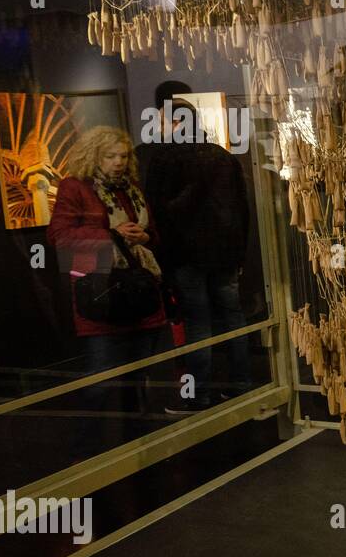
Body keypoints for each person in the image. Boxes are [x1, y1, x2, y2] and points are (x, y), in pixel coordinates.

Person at [47, 125, 167, 453]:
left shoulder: (130, 188)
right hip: (101, 293)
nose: (118, 162)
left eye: (123, 156)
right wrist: (110, 235)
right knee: (99, 380)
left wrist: (145, 238)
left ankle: (138, 447)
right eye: (110, 155)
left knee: (139, 377)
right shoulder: (75, 187)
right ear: (94, 156)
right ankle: (86, 453)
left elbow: (152, 234)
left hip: (139, 292)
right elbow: (59, 238)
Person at [141, 83, 252, 413]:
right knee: (233, 317)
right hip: (225, 253)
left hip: (186, 255)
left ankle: (198, 395)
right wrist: (239, 251)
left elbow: (159, 211)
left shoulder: (164, 159)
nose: (157, 124)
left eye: (162, 120)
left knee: (198, 323)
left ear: (175, 124)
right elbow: (241, 209)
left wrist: (162, 256)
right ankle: (241, 386)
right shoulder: (222, 157)